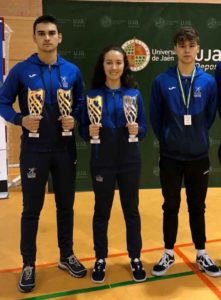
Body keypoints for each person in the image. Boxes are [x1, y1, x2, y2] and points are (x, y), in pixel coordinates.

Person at [0, 15, 87, 293]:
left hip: (64, 149)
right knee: (31, 210)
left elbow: (82, 103)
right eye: (42, 33)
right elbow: (2, 101)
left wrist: (74, 117)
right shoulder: (22, 70)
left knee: (66, 207)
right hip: (34, 151)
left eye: (52, 33)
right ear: (35, 38)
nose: (47, 38)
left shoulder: (72, 71)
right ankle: (28, 263)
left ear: (60, 37)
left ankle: (66, 255)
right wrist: (18, 119)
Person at [150, 26, 221, 278]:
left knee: (197, 206)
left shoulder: (209, 82)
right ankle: (168, 252)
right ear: (174, 49)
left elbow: (210, 116)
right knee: (170, 205)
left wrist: (194, 137)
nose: (187, 50)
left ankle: (201, 253)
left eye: (191, 45)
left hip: (198, 156)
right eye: (182, 45)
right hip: (170, 157)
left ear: (198, 48)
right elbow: (156, 119)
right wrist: (171, 139)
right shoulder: (162, 81)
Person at [79, 45, 147, 283]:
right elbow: (83, 132)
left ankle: (136, 257)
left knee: (132, 212)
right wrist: (89, 131)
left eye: (118, 62)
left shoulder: (134, 95)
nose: (114, 67)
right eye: (109, 62)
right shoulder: (92, 96)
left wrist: (137, 130)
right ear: (103, 65)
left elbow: (144, 130)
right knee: (101, 212)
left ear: (124, 66)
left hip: (129, 162)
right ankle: (100, 258)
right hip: (102, 163)